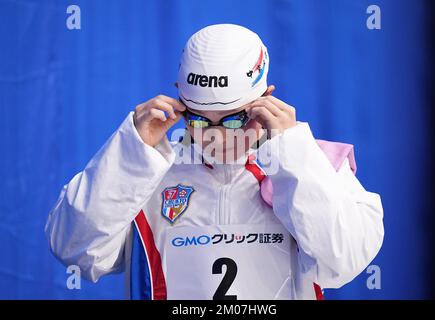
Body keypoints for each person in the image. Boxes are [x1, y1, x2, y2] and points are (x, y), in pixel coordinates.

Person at [45, 24, 384, 300]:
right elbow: (75, 249)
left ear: (265, 100)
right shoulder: (144, 170)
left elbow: (343, 262)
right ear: (180, 99)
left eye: (234, 120)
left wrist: (294, 154)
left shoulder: (316, 165)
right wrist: (130, 151)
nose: (215, 138)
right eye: (198, 119)